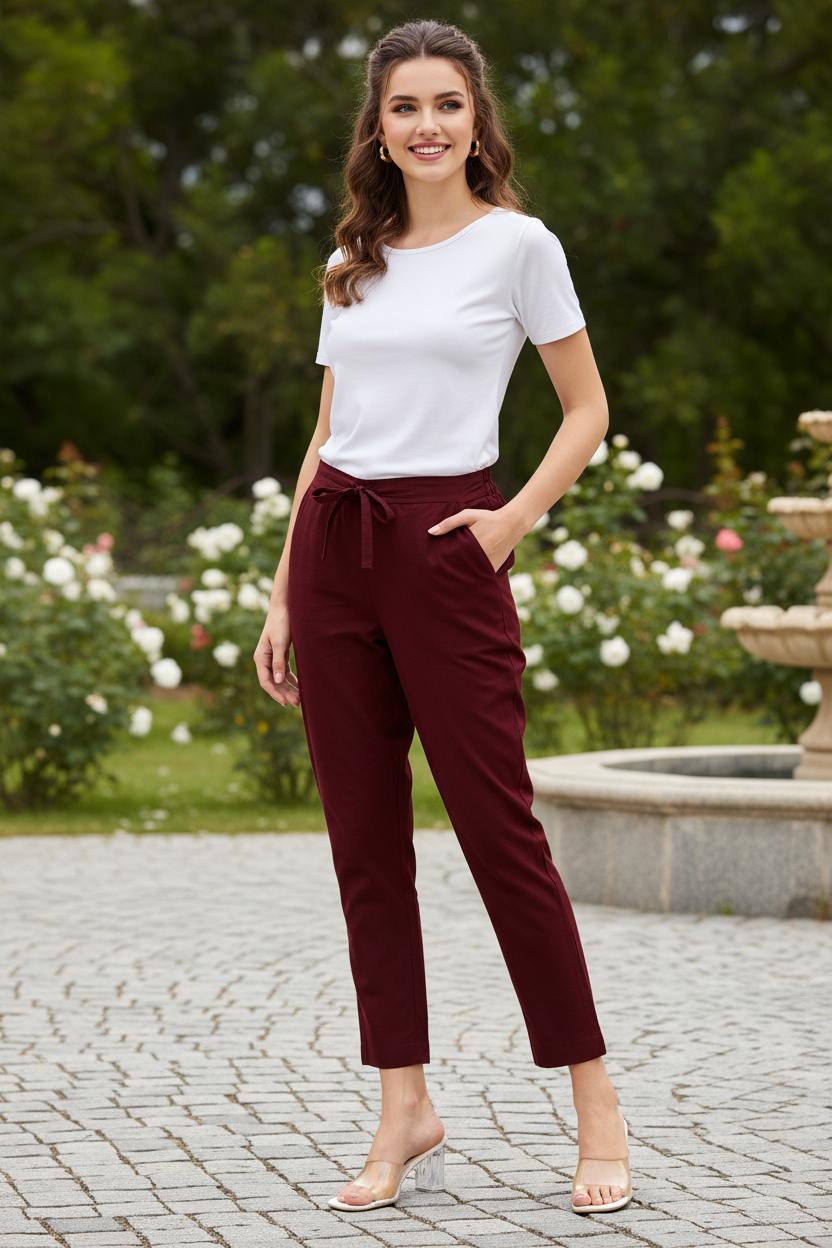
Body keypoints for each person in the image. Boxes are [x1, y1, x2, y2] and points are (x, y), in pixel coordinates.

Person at [254, 18, 631, 1218]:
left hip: (449, 545)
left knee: (498, 833)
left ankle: (596, 1107)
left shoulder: (520, 247)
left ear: (478, 121)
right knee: (366, 850)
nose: (425, 124)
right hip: (334, 554)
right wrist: (279, 592)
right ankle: (402, 1105)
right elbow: (326, 435)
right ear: (377, 124)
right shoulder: (350, 262)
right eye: (404, 106)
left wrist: (511, 518)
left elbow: (585, 410)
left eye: (447, 105)